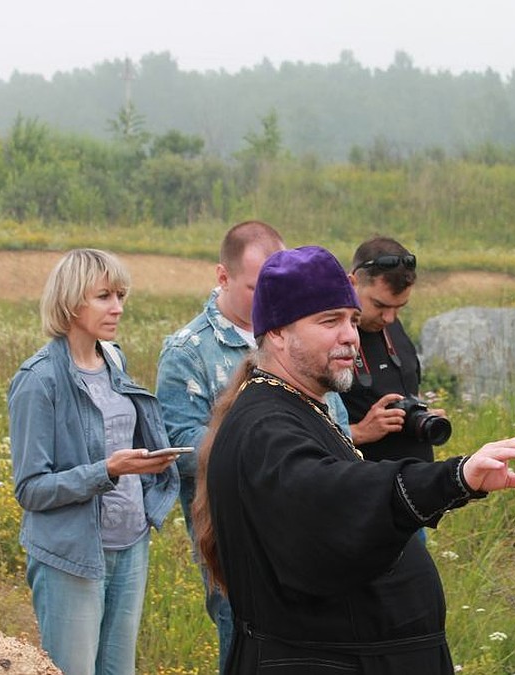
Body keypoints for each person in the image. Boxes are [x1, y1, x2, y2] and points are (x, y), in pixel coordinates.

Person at [192, 245, 515, 674]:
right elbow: (335, 496)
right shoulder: (265, 425)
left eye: (353, 320)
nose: (351, 337)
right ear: (279, 332)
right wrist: (454, 478)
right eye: (330, 321)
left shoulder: (292, 407)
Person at [154, 221, 349, 672]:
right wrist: (267, 454)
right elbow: (180, 446)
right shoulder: (189, 351)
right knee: (246, 643)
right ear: (222, 277)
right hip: (236, 536)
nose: (268, 298)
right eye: (255, 286)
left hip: (310, 527)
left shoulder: (304, 336)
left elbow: (334, 425)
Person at [8, 248, 180, 675]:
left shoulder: (114, 360)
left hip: (131, 544)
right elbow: (30, 489)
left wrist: (148, 463)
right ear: (70, 300)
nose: (118, 307)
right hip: (72, 554)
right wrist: (108, 470)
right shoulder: (38, 380)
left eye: (121, 295)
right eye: (104, 296)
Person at [343, 236, 443, 462]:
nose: (389, 318)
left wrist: (420, 415)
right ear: (352, 283)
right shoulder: (325, 336)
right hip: (362, 482)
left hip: (415, 480)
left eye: (399, 308)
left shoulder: (391, 324)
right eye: (380, 305)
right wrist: (359, 432)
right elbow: (304, 430)